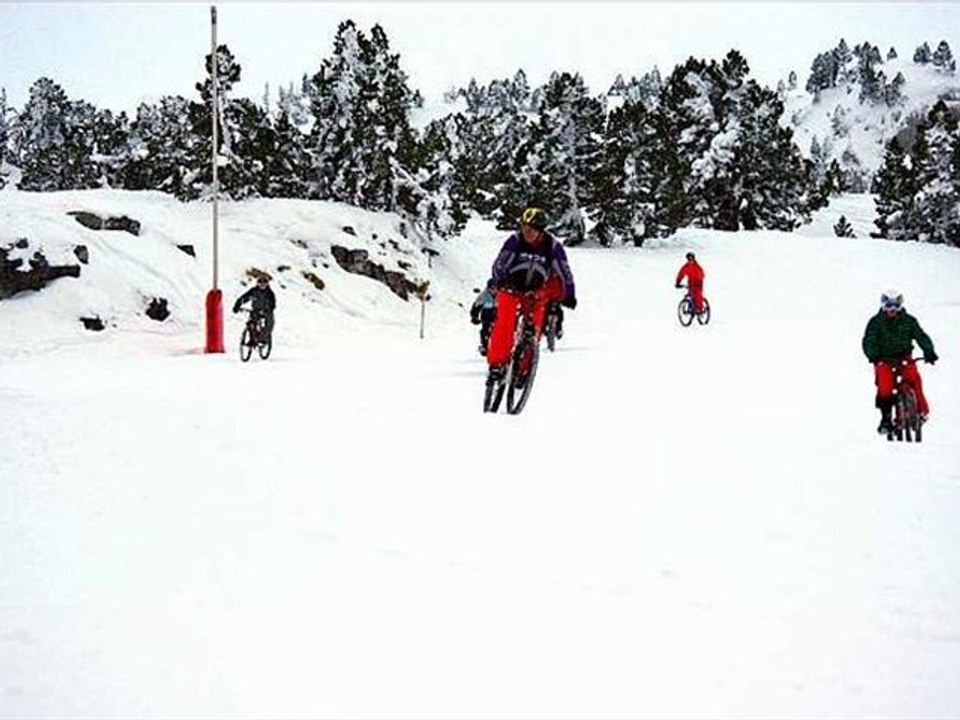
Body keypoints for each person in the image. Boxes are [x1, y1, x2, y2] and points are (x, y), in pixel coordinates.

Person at [485, 207, 577, 382]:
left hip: (536, 292)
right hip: (511, 288)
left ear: (541, 231)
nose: (526, 232)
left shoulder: (552, 246)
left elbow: (565, 271)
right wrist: (499, 281)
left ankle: (523, 370)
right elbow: (500, 263)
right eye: (524, 227)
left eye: (531, 229)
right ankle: (497, 365)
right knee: (505, 322)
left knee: (534, 330)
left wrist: (569, 294)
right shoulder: (515, 240)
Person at [861, 289, 938, 434]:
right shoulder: (876, 323)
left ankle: (921, 411)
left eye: (896, 305)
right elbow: (869, 340)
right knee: (885, 386)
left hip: (904, 358)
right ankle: (886, 419)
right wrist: (874, 355)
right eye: (888, 305)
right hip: (884, 359)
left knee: (914, 379)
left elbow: (921, 336)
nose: (892, 309)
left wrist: (929, 351)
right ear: (883, 306)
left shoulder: (909, 321)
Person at [233, 275, 276, 342]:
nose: (262, 285)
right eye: (260, 283)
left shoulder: (270, 293)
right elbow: (244, 298)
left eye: (264, 283)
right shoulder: (253, 291)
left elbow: (272, 304)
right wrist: (237, 305)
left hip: (266, 311)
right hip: (256, 310)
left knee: (269, 324)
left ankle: (263, 339)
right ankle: (252, 339)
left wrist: (267, 310)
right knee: (251, 323)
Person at [470, 279, 498, 356]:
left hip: (496, 315)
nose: (494, 291)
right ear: (488, 288)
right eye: (492, 288)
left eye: (496, 288)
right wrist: (474, 317)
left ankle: (497, 346)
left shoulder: (500, 295)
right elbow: (476, 307)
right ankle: (484, 346)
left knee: (498, 330)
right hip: (486, 315)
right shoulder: (484, 295)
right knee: (485, 330)